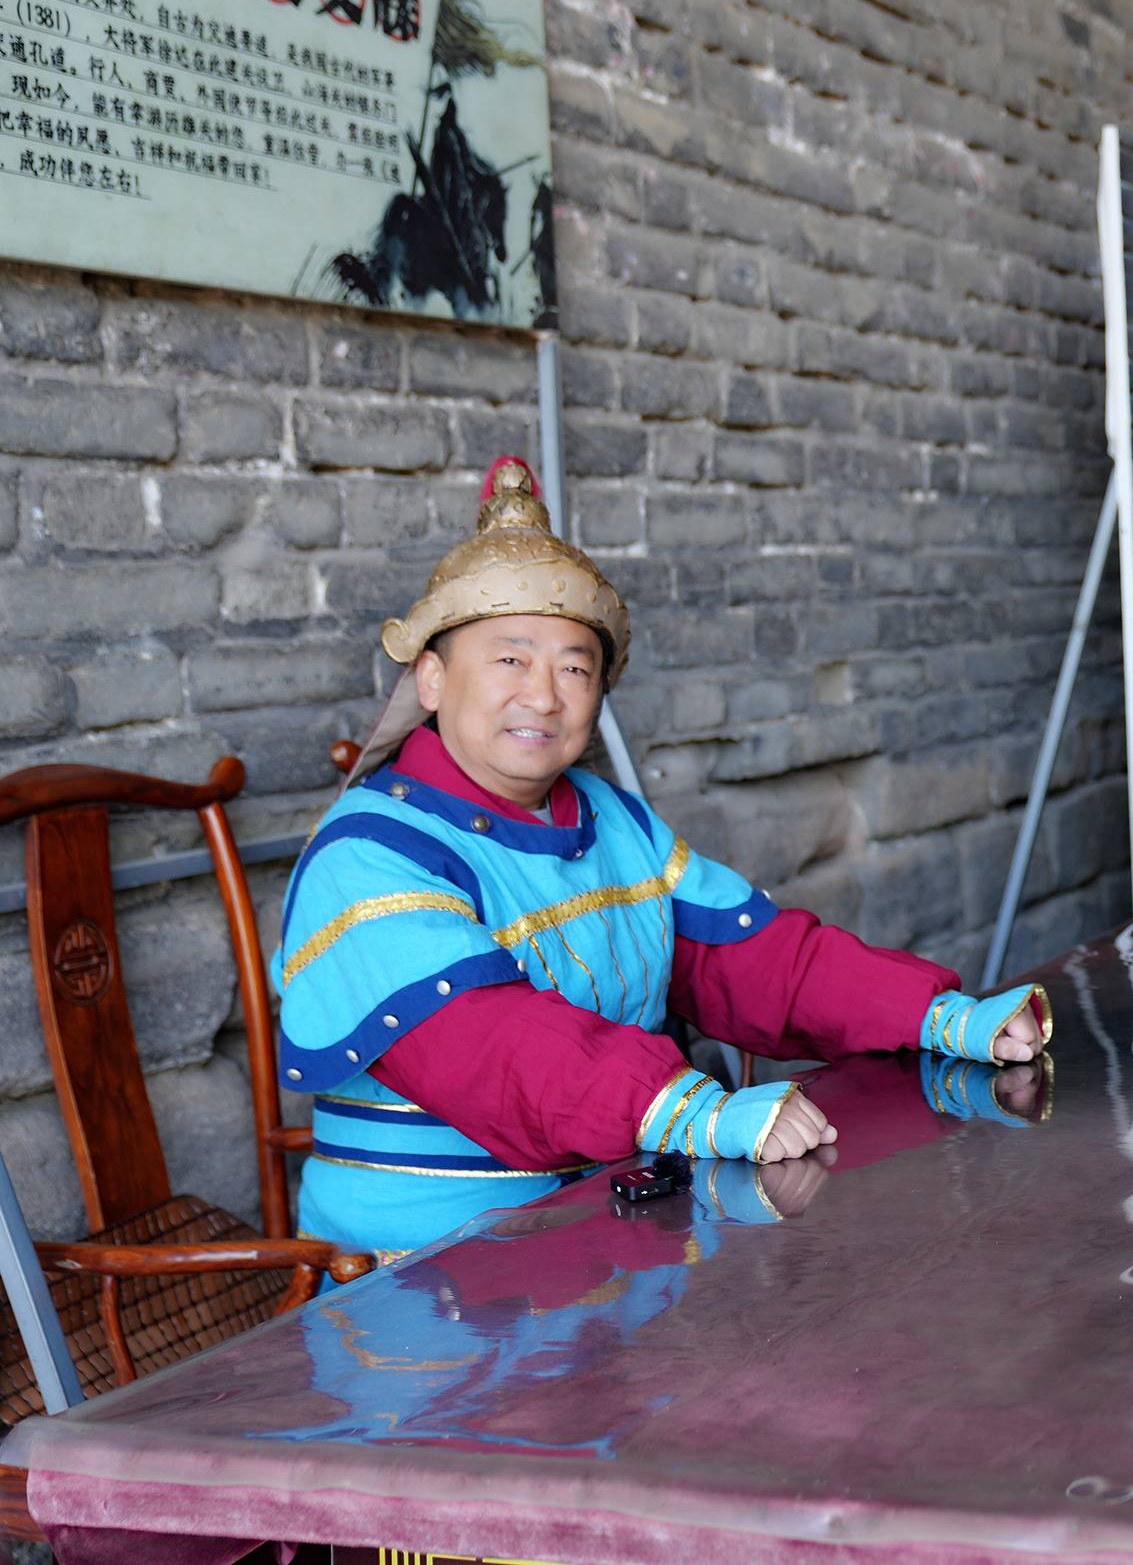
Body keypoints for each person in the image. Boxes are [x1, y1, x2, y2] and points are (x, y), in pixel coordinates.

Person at [275, 458, 1051, 1261]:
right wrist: (690, 1107)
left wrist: (936, 1014)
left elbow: (751, 956)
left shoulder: (609, 820)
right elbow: (494, 1046)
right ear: (431, 677)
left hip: (614, 1236)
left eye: (575, 667)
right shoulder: (365, 857)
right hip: (428, 1279)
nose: (544, 696)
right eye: (510, 659)